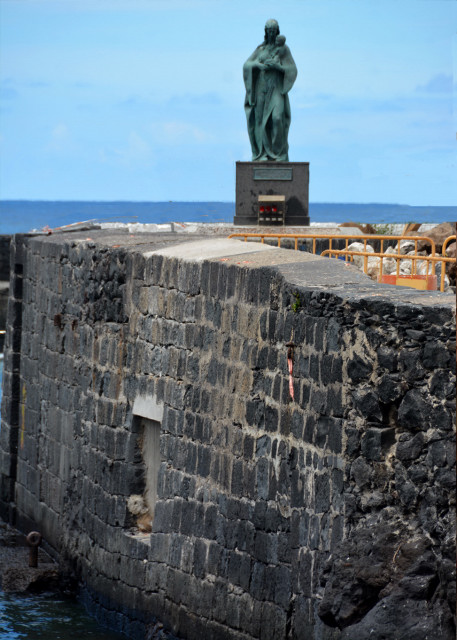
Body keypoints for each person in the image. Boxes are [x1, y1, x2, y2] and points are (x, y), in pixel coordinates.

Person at [243, 19, 297, 162]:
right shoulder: (261, 49)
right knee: (260, 120)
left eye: (274, 30)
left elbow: (292, 69)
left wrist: (278, 67)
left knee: (277, 118)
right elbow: (247, 64)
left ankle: (279, 154)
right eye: (269, 31)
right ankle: (262, 154)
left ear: (277, 31)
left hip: (277, 88)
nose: (271, 33)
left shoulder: (284, 49)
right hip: (262, 88)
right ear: (266, 32)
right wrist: (257, 65)